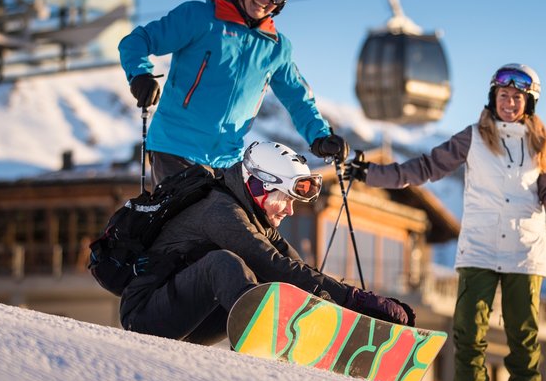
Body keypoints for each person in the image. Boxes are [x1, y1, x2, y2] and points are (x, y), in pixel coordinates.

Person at [343, 63, 546, 381]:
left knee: (524, 340)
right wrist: (373, 174)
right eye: (503, 95)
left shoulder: (542, 146)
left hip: (525, 253)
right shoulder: (473, 137)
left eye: (517, 97)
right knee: (469, 335)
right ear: (493, 97)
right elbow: (425, 167)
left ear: (529, 103)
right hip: (480, 249)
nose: (509, 102)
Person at [120, 140, 413, 346]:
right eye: (286, 198)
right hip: (146, 318)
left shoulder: (253, 213)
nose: (290, 210)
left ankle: (310, 331)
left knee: (284, 280)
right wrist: (354, 299)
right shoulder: (221, 212)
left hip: (189, 320)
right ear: (261, 186)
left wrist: (354, 306)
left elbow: (295, 267)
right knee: (228, 264)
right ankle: (268, 340)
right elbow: (272, 264)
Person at [118, 0, 348, 186]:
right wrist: (139, 74)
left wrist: (321, 137)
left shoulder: (276, 49)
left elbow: (299, 100)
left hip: (228, 160)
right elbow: (136, 41)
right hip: (176, 147)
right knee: (193, 217)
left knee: (235, 222)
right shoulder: (200, 18)